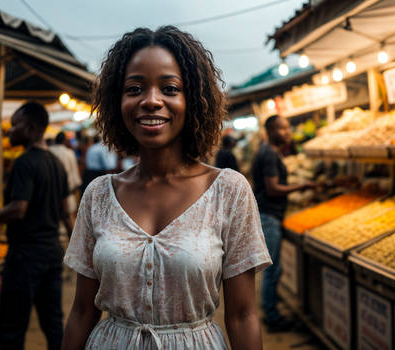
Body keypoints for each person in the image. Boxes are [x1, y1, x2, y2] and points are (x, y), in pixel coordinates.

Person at [62, 26, 272, 350]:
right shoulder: (99, 196)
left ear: (194, 100)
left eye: (170, 88)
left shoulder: (229, 192)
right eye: (134, 88)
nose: (151, 101)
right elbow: (80, 312)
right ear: (117, 102)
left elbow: (242, 316)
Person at [0, 102, 73, 350]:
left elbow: (18, 209)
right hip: (51, 253)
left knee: (11, 328)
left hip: (25, 256)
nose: (9, 131)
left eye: (14, 125)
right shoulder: (56, 164)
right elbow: (66, 213)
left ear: (30, 129)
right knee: (53, 323)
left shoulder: (24, 163)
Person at [251, 115, 314, 333]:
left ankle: (272, 312)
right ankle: (272, 317)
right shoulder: (269, 154)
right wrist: (301, 186)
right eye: (282, 129)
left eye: (288, 128)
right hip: (269, 216)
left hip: (268, 215)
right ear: (270, 130)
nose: (287, 132)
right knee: (272, 270)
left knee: (273, 269)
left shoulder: (268, 151)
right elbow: (272, 188)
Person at [50, 132, 82, 218]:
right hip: (67, 189)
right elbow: (74, 171)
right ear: (64, 141)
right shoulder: (69, 153)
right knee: (68, 215)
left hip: (51, 191)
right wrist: (76, 184)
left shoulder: (49, 151)